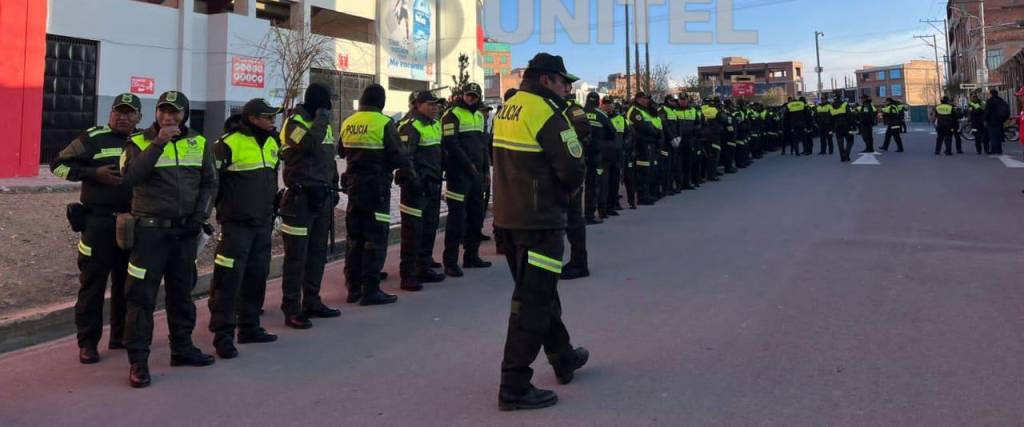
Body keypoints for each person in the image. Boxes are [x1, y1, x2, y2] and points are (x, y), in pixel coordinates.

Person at [491, 52, 588, 411]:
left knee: (540, 293)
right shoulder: (546, 111)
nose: (567, 88)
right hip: (540, 221)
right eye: (564, 82)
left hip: (510, 217)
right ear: (546, 79)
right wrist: (566, 195)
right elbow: (572, 167)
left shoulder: (509, 107)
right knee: (532, 302)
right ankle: (514, 385)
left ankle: (562, 356)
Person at [120, 90, 218, 388]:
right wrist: (158, 144)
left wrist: (200, 216)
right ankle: (138, 361)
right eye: (163, 111)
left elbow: (210, 183)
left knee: (182, 293)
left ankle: (182, 348)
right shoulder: (137, 142)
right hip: (149, 233)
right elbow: (131, 177)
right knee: (141, 297)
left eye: (174, 112)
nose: (168, 117)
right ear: (156, 113)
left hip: (184, 232)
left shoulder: (198, 143)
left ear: (184, 115)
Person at [50, 93, 139, 364]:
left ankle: (120, 335)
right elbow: (58, 165)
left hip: (132, 223)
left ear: (138, 117)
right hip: (98, 224)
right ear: (110, 114)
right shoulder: (93, 138)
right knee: (93, 286)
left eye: (129, 112)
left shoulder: (143, 141)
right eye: (118, 112)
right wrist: (92, 173)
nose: (123, 117)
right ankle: (87, 343)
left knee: (128, 284)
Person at [206, 99, 282, 359]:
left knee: (257, 276)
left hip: (263, 222)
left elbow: (272, 177)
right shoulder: (226, 144)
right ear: (251, 118)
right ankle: (223, 335)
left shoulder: (273, 142)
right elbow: (212, 184)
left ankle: (250, 327)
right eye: (267, 117)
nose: (273, 121)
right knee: (228, 281)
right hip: (236, 225)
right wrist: (217, 214)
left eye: (274, 117)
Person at [340, 84, 418, 306]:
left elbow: (341, 151)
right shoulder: (384, 123)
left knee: (354, 237)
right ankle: (371, 289)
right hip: (377, 189)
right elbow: (398, 156)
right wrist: (410, 176)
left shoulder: (349, 122)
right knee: (375, 238)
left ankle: (353, 288)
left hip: (354, 187)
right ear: (381, 102)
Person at [278, 84, 341, 328]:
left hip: (321, 197)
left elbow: (329, 159)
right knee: (296, 256)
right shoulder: (294, 124)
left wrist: (333, 188)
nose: (328, 109)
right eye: (325, 104)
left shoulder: (320, 123)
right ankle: (291, 307)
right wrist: (322, 119)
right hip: (300, 199)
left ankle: (312, 301)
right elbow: (308, 146)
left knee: (317, 254)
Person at [441, 82, 492, 277]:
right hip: (459, 174)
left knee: (476, 215)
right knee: (457, 218)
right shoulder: (452, 115)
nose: (471, 98)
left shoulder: (480, 116)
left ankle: (472, 256)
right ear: (462, 96)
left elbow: (483, 145)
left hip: (477, 174)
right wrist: (468, 165)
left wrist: (486, 171)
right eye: (468, 95)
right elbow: (450, 144)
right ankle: (450, 261)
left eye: (474, 96)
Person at [397, 90, 446, 291]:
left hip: (432, 185)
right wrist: (415, 183)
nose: (435, 108)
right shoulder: (409, 127)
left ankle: (424, 267)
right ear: (417, 105)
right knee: (412, 232)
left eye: (436, 105)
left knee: (429, 228)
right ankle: (408, 274)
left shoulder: (435, 125)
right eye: (430, 104)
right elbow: (406, 159)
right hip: (415, 189)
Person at [562, 93, 591, 280]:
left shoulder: (573, 109)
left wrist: (560, 137)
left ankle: (579, 263)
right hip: (561, 166)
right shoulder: (554, 108)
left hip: (572, 165)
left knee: (574, 219)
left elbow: (583, 129)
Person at [583, 92, 614, 221]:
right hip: (596, 155)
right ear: (598, 102)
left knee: (576, 187)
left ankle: (573, 216)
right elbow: (611, 133)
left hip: (579, 154)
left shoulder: (579, 112)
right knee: (593, 184)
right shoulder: (601, 115)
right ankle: (590, 214)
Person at [628, 92, 660, 204]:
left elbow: (652, 125)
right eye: (644, 98)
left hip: (649, 143)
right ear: (638, 99)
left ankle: (649, 194)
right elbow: (643, 127)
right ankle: (642, 197)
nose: (646, 100)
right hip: (640, 145)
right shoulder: (635, 111)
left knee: (650, 170)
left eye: (647, 99)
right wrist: (656, 132)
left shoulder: (645, 110)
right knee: (643, 171)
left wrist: (657, 133)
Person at [601, 97, 626, 214]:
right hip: (604, 156)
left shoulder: (621, 119)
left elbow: (629, 135)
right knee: (604, 183)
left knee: (615, 182)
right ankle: (603, 207)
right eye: (605, 104)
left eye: (609, 104)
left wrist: (624, 147)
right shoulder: (600, 118)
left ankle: (612, 206)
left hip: (617, 155)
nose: (607, 106)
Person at [677, 96, 699, 190]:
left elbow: (698, 123)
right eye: (681, 100)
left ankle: (688, 182)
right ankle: (679, 184)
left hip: (690, 140)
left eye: (684, 100)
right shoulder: (674, 110)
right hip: (679, 140)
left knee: (688, 162)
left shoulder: (693, 110)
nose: (683, 101)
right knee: (679, 163)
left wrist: (695, 132)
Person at [700, 98, 725, 181]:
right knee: (714, 157)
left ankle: (703, 175)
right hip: (714, 137)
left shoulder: (701, 110)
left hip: (703, 137)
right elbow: (722, 121)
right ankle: (712, 175)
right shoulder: (715, 111)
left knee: (705, 157)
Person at [985, 88, 1011, 155]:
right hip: (1000, 121)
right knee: (998, 136)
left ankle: (993, 150)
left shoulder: (990, 101)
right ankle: (999, 150)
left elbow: (987, 112)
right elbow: (1006, 110)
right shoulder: (1001, 100)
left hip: (992, 121)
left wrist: (985, 120)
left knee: (993, 136)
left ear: (991, 94)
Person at [830, 97, 854, 162]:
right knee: (850, 141)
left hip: (837, 126)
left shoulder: (831, 106)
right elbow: (850, 115)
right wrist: (852, 125)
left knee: (840, 142)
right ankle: (846, 154)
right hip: (846, 126)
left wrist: (832, 128)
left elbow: (830, 118)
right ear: (840, 98)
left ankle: (842, 157)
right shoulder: (845, 104)